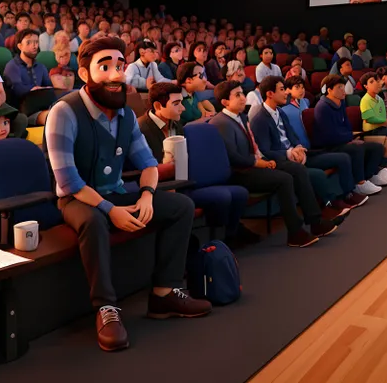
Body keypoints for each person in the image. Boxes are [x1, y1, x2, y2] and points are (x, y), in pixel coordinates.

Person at [44, 37, 212, 352]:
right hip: (77, 200)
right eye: (104, 66)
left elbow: (148, 164)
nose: (115, 74)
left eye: (119, 66)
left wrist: (147, 195)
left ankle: (164, 294)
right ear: (84, 74)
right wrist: (111, 210)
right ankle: (106, 308)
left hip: (116, 194)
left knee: (181, 206)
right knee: (93, 221)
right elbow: (67, 182)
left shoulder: (126, 114)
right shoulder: (64, 112)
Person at [209, 81, 338, 247]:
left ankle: (315, 221)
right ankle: (296, 232)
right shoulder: (221, 123)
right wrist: (259, 162)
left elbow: (253, 147)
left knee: (295, 170)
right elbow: (233, 157)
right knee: (284, 179)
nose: (243, 98)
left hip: (253, 166)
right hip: (240, 173)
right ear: (225, 102)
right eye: (237, 95)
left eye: (242, 93)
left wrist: (263, 160)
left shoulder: (240, 117)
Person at [137, 82, 259, 249]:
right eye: (176, 104)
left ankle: (228, 236)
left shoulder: (175, 123)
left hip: (183, 181)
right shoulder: (142, 129)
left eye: (181, 102)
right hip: (159, 186)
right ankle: (215, 241)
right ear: (158, 106)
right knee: (221, 197)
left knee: (239, 193)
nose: (183, 109)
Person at [250, 76, 367, 212]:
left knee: (343, 158)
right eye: (282, 89)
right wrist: (289, 153)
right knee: (318, 174)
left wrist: (298, 147)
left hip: (299, 155)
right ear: (270, 94)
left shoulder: (280, 111)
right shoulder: (259, 119)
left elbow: (292, 135)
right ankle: (330, 204)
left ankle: (348, 194)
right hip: (285, 161)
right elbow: (265, 151)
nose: (286, 92)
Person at [313, 74, 387, 194]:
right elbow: (329, 135)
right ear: (329, 90)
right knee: (356, 148)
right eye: (339, 87)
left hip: (343, 140)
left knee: (377, 147)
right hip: (329, 145)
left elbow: (346, 124)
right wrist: (350, 138)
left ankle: (370, 175)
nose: (343, 90)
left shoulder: (341, 102)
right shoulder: (322, 107)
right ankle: (359, 183)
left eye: (343, 87)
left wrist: (351, 136)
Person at [3, 29, 54, 127]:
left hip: (42, 106)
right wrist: (34, 89)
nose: (34, 46)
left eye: (36, 42)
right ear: (20, 46)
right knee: (53, 116)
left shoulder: (41, 66)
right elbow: (17, 90)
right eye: (29, 42)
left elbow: (49, 87)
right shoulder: (12, 66)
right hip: (22, 112)